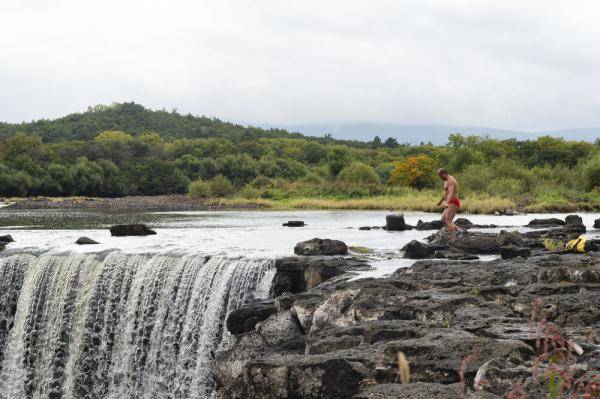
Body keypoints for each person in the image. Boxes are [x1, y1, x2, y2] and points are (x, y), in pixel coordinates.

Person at [436, 168, 460, 241]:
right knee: (443, 219)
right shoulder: (446, 180)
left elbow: (451, 193)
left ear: (444, 174)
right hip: (449, 203)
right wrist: (440, 201)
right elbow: (445, 193)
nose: (440, 178)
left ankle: (453, 239)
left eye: (440, 176)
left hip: (453, 202)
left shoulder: (451, 181)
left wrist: (447, 202)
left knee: (448, 220)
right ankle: (459, 231)